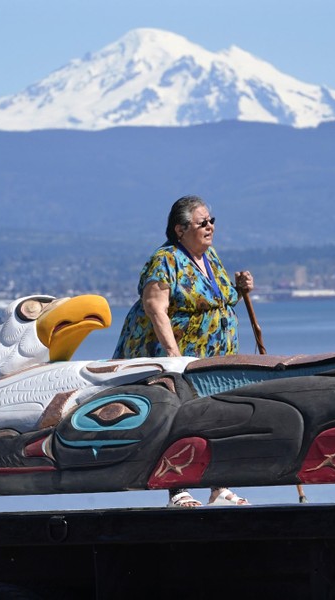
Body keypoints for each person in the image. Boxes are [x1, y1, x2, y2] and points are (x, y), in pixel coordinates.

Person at [113, 195, 254, 507]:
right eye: (201, 222)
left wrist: (240, 288)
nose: (210, 227)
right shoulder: (164, 261)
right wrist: (173, 358)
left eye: (211, 221)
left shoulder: (210, 257)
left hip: (214, 358)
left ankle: (220, 485)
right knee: (179, 420)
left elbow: (217, 300)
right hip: (177, 360)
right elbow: (155, 308)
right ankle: (177, 488)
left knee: (218, 417)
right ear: (179, 229)